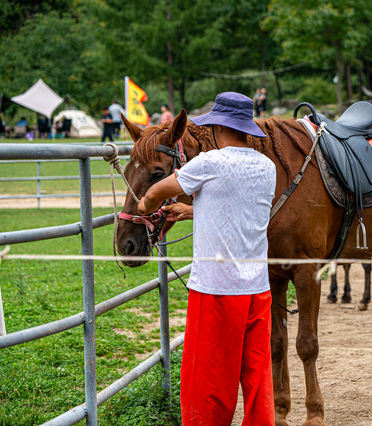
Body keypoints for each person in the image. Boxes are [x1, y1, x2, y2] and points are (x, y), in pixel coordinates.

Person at [137, 91, 276, 425]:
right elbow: (237, 206)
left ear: (216, 128)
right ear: (246, 128)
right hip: (257, 288)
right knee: (257, 376)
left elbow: (158, 191)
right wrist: (191, 211)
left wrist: (144, 207)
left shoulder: (210, 162)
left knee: (207, 379)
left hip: (216, 290)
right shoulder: (267, 166)